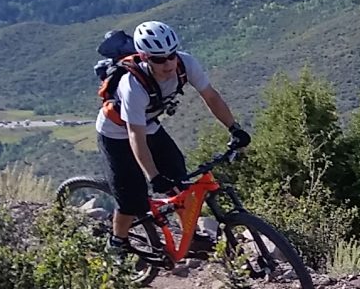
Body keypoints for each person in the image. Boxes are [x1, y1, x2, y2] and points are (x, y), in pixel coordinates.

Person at [95, 20, 250, 251]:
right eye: (158, 58)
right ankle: (117, 243)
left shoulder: (185, 63)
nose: (168, 63)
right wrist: (153, 175)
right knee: (131, 197)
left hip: (147, 124)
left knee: (178, 180)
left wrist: (234, 128)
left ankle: (192, 238)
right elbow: (135, 136)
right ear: (145, 57)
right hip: (115, 132)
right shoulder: (132, 85)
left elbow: (211, 96)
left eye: (171, 55)